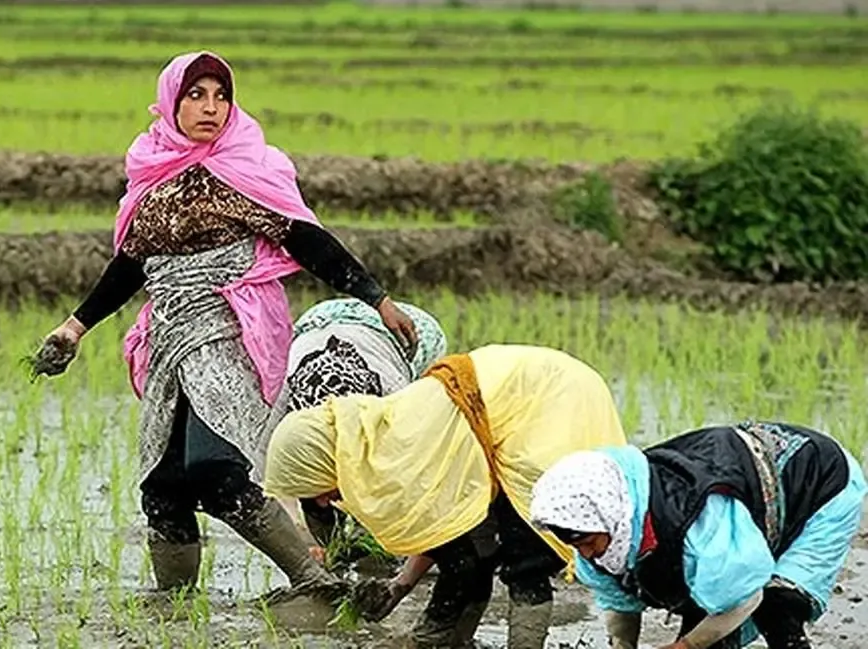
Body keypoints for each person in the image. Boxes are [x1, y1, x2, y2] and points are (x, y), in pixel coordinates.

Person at [34, 50, 418, 600]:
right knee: (162, 485)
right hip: (168, 339)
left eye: (220, 96)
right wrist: (73, 328)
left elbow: (306, 238)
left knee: (215, 469)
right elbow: (129, 263)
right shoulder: (153, 174)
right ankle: (174, 607)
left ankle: (313, 580)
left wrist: (375, 297)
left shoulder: (245, 171)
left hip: (227, 331)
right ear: (171, 104)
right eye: (195, 95)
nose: (210, 107)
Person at [263, 344, 628, 648]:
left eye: (315, 489)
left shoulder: (396, 452)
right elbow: (448, 533)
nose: (325, 502)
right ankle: (457, 641)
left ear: (324, 461)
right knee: (482, 548)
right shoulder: (374, 444)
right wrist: (401, 585)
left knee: (525, 550)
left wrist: (422, 638)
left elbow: (457, 554)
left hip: (549, 403)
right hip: (516, 406)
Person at [529, 421, 867, 649]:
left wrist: (685, 646)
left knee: (777, 603)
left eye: (588, 543)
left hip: (818, 479)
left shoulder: (696, 525)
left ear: (611, 517)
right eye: (576, 545)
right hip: (740, 492)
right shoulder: (598, 528)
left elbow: (744, 597)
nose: (586, 554)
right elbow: (620, 603)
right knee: (701, 607)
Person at [264, 297, 449, 567]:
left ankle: (376, 555)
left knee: (379, 487)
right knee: (314, 485)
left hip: (406, 334)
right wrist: (310, 549)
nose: (326, 502)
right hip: (317, 324)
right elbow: (271, 485)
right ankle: (336, 551)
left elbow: (422, 483)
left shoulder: (395, 408)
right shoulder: (282, 411)